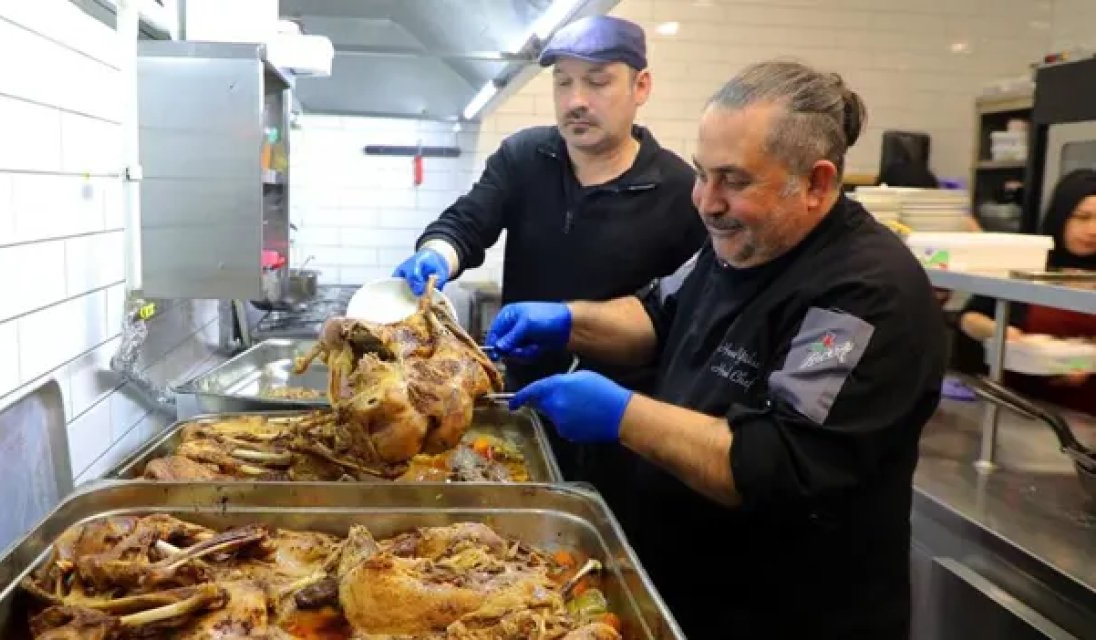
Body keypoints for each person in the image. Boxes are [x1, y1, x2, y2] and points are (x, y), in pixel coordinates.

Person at [486, 61, 947, 639]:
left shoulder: (861, 296)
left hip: (785, 617)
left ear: (817, 183)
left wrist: (622, 415)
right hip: (686, 595)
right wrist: (567, 321)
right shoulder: (736, 244)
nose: (706, 201)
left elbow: (777, 463)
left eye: (734, 180)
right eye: (703, 174)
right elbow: (657, 316)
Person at [392, 14, 705, 398]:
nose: (576, 101)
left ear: (641, 86)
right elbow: (465, 224)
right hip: (523, 396)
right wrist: (439, 254)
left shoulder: (681, 190)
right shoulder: (523, 157)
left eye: (597, 81)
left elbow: (685, 316)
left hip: (620, 415)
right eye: (563, 82)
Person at [958, 168, 1096, 414]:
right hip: (1019, 409)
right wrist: (1002, 333)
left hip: (1087, 418)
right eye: (1082, 217)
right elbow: (968, 318)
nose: (1093, 230)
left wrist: (1081, 363)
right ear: (1061, 215)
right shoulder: (1028, 264)